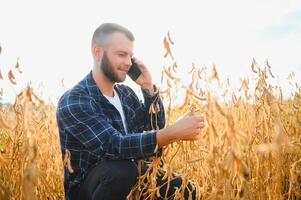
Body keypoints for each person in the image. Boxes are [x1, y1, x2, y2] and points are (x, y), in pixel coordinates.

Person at [56, 23, 205, 200]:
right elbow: (114, 145)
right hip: (90, 191)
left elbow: (152, 130)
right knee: (121, 170)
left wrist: (148, 88)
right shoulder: (74, 100)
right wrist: (173, 133)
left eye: (130, 56)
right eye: (121, 54)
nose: (128, 63)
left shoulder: (125, 95)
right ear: (97, 52)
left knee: (186, 189)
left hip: (132, 180)